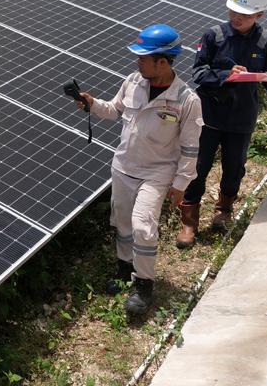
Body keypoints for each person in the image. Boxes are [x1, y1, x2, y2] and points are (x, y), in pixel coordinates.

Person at [76, 24, 203, 316]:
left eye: (143, 57)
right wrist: (93, 104)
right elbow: (114, 110)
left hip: (156, 173)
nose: (137, 61)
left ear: (163, 61)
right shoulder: (133, 82)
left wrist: (181, 184)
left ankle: (143, 284)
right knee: (122, 222)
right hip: (124, 166)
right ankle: (125, 269)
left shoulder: (186, 100)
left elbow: (190, 147)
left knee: (143, 226)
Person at [176, 0, 267, 248]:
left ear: (259, 15)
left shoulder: (265, 41)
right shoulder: (213, 36)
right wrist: (226, 75)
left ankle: (223, 211)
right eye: (233, 12)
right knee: (197, 168)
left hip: (241, 117)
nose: (237, 17)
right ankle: (189, 224)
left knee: (234, 168)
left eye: (245, 14)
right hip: (208, 116)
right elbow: (198, 73)